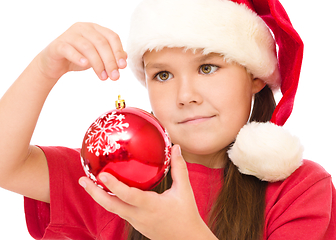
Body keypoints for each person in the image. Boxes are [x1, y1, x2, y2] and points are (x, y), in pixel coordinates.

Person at [0, 0, 335, 239]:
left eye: (207, 68)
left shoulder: (300, 189)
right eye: (162, 75)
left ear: (255, 76)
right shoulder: (113, 178)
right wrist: (46, 67)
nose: (185, 95)